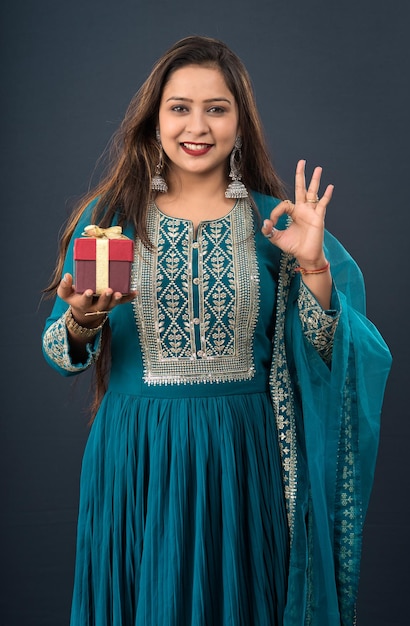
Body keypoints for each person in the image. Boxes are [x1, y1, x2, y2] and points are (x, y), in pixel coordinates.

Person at [42, 35, 391, 626]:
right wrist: (82, 318)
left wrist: (312, 266)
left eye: (216, 107)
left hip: (243, 459)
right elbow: (61, 349)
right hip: (137, 460)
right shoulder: (109, 217)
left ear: (239, 121)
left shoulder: (277, 222)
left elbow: (339, 354)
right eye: (179, 107)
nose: (196, 125)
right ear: (154, 121)